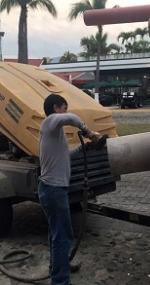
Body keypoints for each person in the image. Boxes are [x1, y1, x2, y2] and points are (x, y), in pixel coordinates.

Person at [38, 93, 95, 285]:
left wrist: (82, 149)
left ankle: (59, 266)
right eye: (65, 108)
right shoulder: (49, 123)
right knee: (62, 237)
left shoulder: (54, 132)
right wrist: (87, 131)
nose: (67, 112)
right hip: (53, 190)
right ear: (56, 108)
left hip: (52, 189)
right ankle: (61, 281)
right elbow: (71, 119)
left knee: (57, 234)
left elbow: (64, 156)